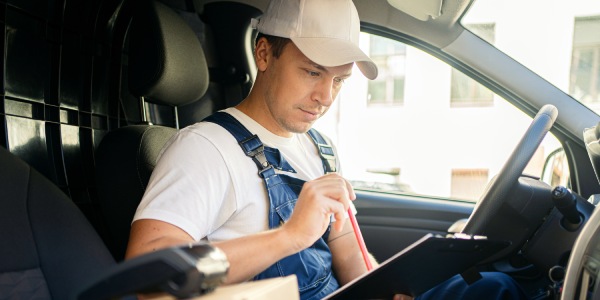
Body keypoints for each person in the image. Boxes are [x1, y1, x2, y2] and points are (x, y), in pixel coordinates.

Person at [126, 0, 529, 299]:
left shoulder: (319, 148)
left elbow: (351, 256)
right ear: (264, 54)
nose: (324, 96)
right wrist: (289, 236)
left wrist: (389, 285)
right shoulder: (204, 147)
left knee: (496, 287)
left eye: (339, 81)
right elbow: (146, 275)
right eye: (313, 71)